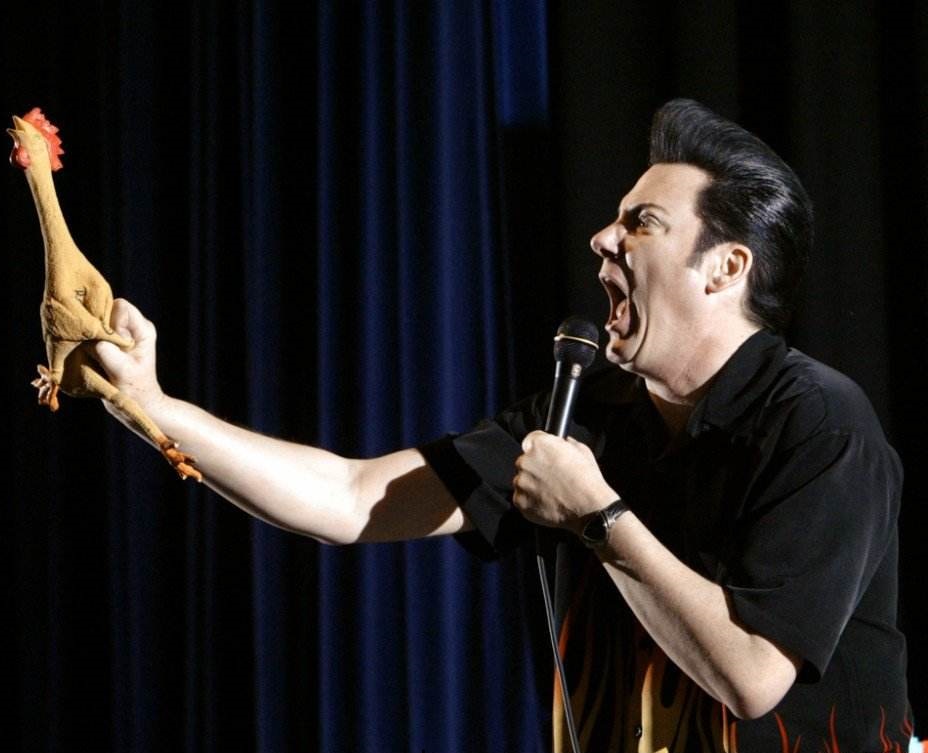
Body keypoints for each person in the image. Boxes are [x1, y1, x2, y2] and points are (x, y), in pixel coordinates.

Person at [94, 99, 910, 752]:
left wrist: (596, 514)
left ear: (725, 268)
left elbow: (753, 675)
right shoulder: (586, 416)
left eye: (642, 223)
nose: (603, 237)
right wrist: (154, 406)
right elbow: (351, 496)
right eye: (616, 218)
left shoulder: (821, 425)